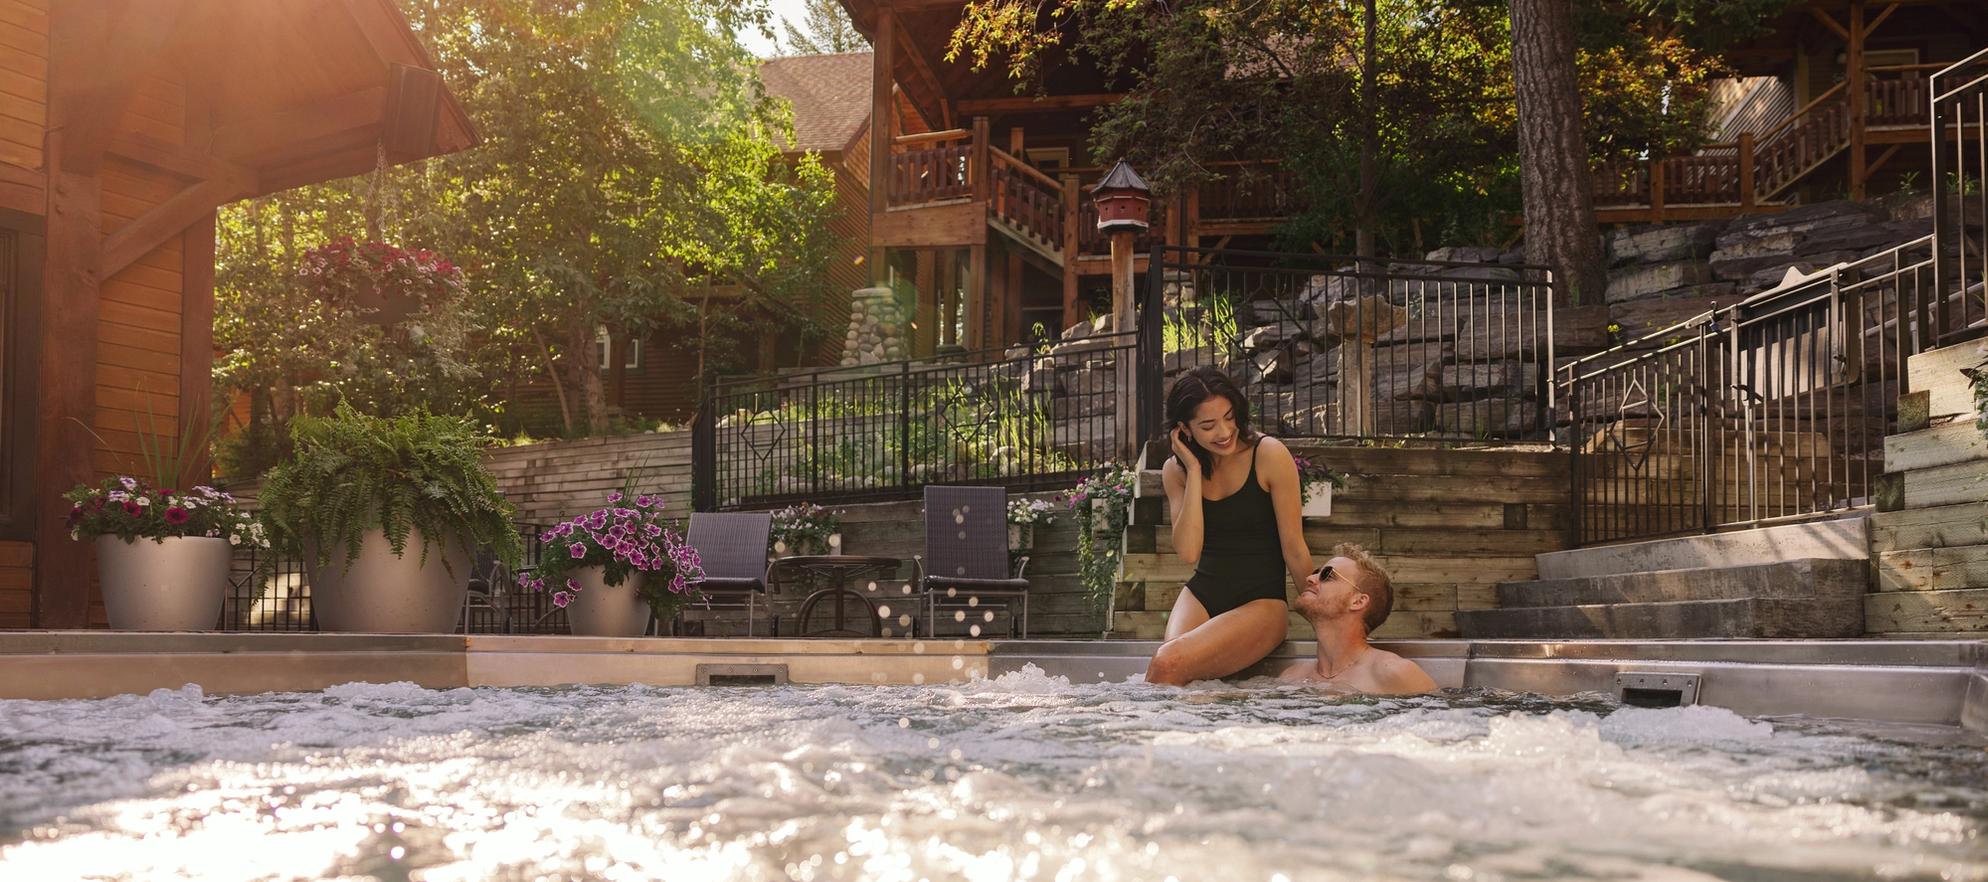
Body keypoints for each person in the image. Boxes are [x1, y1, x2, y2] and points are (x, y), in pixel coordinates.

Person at [1145, 366, 1313, 686]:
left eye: (1229, 416)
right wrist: (1194, 470)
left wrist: (1324, 621)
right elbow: (1189, 551)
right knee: (1169, 672)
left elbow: (1294, 547)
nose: (1224, 432)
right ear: (1185, 429)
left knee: (1168, 664)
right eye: (1208, 425)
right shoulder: (1176, 471)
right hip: (1203, 593)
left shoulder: (1268, 454)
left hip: (1262, 601)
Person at [1279, 544, 1438, 695]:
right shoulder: (1292, 678)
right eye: (1316, 572)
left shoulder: (1393, 672)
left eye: (1327, 575)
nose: (1310, 578)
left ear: (1358, 601)